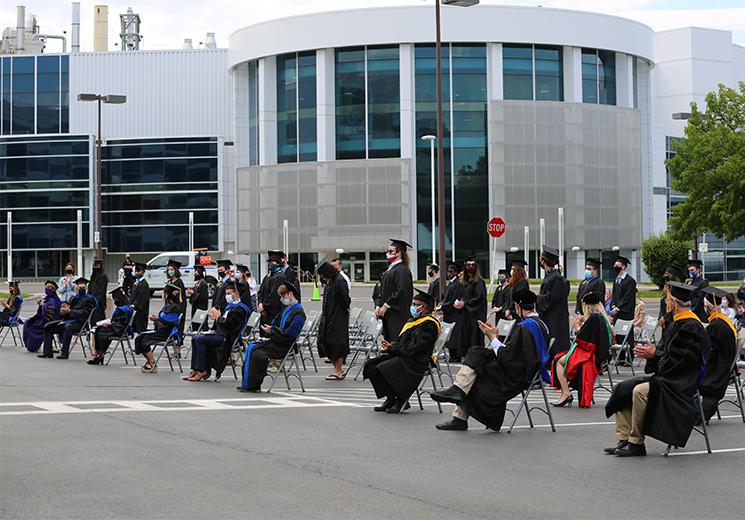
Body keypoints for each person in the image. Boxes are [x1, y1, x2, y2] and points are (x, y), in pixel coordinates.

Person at [603, 282, 711, 457]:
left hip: (680, 382)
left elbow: (681, 363)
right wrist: (652, 354)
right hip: (667, 376)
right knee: (622, 388)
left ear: (674, 303)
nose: (667, 304)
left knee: (639, 391)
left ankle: (636, 442)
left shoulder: (690, 326)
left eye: (668, 300)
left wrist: (655, 355)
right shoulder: (676, 323)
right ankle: (624, 439)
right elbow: (667, 353)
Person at [430, 289, 550, 431]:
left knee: (475, 370)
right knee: (477, 353)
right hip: (524, 370)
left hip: (516, 375)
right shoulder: (540, 324)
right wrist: (495, 337)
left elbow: (509, 358)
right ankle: (458, 394)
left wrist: (492, 337)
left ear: (518, 306)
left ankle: (460, 408)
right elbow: (516, 354)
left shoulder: (525, 327)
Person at [364, 289, 440, 414]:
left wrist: (393, 348)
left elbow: (415, 348)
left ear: (424, 307)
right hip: (405, 356)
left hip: (417, 361)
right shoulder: (413, 321)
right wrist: (390, 346)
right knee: (371, 366)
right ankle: (391, 398)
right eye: (412, 304)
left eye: (416, 304)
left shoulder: (429, 324)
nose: (412, 307)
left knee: (384, 367)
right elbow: (403, 343)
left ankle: (401, 400)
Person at [238, 282, 306, 392]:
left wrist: (272, 331)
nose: (282, 299)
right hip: (277, 341)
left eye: (283, 296)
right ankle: (247, 383)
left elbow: (290, 335)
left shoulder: (299, 313)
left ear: (290, 294)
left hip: (284, 346)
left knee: (257, 353)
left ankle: (253, 385)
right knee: (251, 347)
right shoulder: (287, 309)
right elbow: (276, 324)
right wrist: (270, 328)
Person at [551, 292, 613, 408]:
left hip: (588, 355)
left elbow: (582, 339)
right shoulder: (603, 318)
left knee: (558, 360)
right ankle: (566, 392)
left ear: (587, 306)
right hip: (596, 354)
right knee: (561, 356)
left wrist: (577, 327)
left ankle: (566, 393)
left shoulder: (594, 318)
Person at [184, 282, 250, 382]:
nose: (226, 296)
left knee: (200, 339)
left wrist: (218, 317)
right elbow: (221, 322)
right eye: (226, 293)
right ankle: (195, 369)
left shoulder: (241, 309)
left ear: (236, 294)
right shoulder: (229, 307)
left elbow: (230, 326)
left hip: (226, 337)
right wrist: (216, 319)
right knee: (195, 337)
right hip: (219, 333)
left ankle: (202, 370)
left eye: (229, 293)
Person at [699, 286, 738, 420]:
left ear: (709, 307)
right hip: (724, 362)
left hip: (718, 368)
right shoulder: (722, 321)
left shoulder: (716, 326)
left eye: (705, 305)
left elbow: (708, 350)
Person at [38, 277, 97, 360]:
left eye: (83, 288)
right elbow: (66, 306)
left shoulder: (89, 299)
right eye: (80, 288)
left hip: (80, 323)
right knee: (48, 326)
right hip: (67, 320)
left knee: (67, 327)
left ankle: (64, 353)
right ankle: (47, 352)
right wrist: (63, 308)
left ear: (86, 288)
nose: (81, 289)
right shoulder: (73, 298)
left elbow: (85, 313)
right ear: (76, 288)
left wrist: (70, 311)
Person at [134, 283, 182, 374]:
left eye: (165, 293)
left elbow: (170, 322)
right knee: (139, 337)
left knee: (144, 339)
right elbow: (163, 319)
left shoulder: (175, 307)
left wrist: (157, 319)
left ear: (169, 294)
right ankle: (150, 361)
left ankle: (152, 363)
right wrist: (157, 319)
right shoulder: (167, 305)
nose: (163, 295)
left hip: (166, 334)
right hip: (160, 331)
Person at [316, 259, 351, 380]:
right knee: (328, 341)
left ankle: (338, 370)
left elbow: (345, 298)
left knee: (337, 342)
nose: (322, 277)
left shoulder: (339, 281)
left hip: (338, 317)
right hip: (329, 316)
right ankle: (338, 369)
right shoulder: (331, 281)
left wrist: (346, 308)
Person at [374, 239, 414, 342]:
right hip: (388, 314)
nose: (388, 254)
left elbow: (401, 291)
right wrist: (378, 305)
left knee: (396, 340)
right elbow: (382, 291)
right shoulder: (391, 269)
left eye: (391, 251)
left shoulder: (401, 270)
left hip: (397, 315)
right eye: (388, 251)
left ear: (399, 253)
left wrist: (386, 305)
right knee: (388, 340)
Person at [536, 245, 570, 358]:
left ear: (543, 260)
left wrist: (537, 298)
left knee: (556, 349)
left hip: (555, 320)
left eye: (540, 258)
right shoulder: (551, 276)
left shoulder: (556, 278)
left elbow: (551, 299)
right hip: (550, 319)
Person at [452, 257, 487, 361]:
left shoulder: (480, 281)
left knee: (474, 337)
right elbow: (464, 296)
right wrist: (459, 303)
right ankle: (467, 357)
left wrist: (465, 303)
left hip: (475, 315)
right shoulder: (466, 282)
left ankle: (475, 358)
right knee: (465, 335)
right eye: (468, 265)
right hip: (466, 315)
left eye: (472, 265)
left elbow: (479, 297)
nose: (470, 267)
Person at [87, 287, 133, 365]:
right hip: (122, 329)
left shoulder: (122, 310)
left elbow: (120, 323)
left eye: (115, 299)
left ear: (119, 299)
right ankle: (99, 355)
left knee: (97, 331)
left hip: (119, 330)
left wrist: (109, 324)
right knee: (99, 330)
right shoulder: (127, 307)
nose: (114, 301)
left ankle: (97, 355)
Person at [23, 280, 62, 353]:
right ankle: (35, 346)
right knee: (27, 322)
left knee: (30, 325)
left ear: (53, 289)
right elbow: (41, 312)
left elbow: (51, 316)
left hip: (50, 321)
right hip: (44, 319)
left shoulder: (54, 300)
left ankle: (34, 346)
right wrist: (40, 306)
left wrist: (42, 306)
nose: (47, 288)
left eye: (50, 287)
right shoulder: (48, 298)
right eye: (46, 287)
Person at [438, 261, 463, 360]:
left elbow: (454, 299)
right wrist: (442, 304)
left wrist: (443, 306)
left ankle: (456, 356)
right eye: (448, 272)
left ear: (456, 272)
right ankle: (452, 355)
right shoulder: (451, 283)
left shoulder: (457, 284)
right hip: (449, 313)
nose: (449, 274)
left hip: (455, 313)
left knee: (454, 335)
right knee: (449, 334)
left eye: (451, 272)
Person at [257, 251, 287, 335]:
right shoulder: (267, 276)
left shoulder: (280, 277)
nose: (270, 264)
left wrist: (264, 307)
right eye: (269, 262)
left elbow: (274, 296)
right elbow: (260, 291)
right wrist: (260, 304)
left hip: (272, 313)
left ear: (278, 263)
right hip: (264, 313)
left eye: (272, 261)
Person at [574, 258, 605, 324]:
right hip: (581, 315)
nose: (586, 271)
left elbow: (598, 300)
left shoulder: (599, 282)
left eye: (589, 269)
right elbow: (578, 297)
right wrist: (578, 312)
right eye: (586, 268)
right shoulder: (583, 282)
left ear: (595, 270)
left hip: (592, 316)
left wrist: (588, 314)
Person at [609, 256, 637, 324]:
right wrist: (613, 306)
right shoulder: (616, 279)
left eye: (617, 265)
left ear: (623, 267)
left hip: (625, 312)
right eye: (614, 265)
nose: (615, 267)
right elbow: (614, 294)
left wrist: (618, 308)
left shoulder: (630, 280)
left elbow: (628, 297)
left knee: (625, 332)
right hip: (616, 313)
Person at [658, 265, 683, 330]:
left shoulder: (677, 289)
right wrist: (660, 318)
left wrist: (664, 318)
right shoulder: (666, 287)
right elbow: (663, 305)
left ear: (672, 275)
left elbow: (673, 306)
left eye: (668, 274)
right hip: (665, 322)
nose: (665, 276)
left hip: (673, 321)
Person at [166, 258, 187, 334]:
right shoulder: (169, 281)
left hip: (177, 307)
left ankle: (178, 341)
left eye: (171, 269)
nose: (169, 271)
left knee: (178, 325)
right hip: (169, 306)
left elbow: (180, 296)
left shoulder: (179, 282)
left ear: (176, 270)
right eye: (168, 270)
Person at [130, 262, 150, 333]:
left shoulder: (144, 284)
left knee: (141, 330)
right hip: (135, 311)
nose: (136, 272)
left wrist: (134, 305)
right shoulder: (136, 282)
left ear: (143, 272)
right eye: (136, 270)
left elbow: (142, 298)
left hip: (141, 311)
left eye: (138, 270)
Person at [89, 258, 109, 323]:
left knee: (99, 318)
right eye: (95, 265)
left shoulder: (103, 276)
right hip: (92, 299)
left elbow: (101, 290)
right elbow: (90, 287)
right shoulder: (93, 276)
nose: (96, 267)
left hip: (99, 301)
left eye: (98, 265)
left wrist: (94, 300)